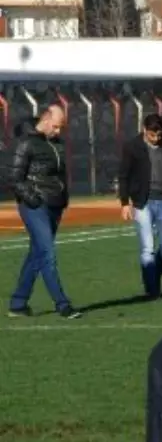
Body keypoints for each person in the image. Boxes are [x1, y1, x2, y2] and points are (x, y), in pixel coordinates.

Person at [5, 104, 81, 319]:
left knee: (37, 254)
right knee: (47, 254)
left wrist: (63, 198)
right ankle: (62, 304)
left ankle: (18, 303)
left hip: (55, 204)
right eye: (56, 127)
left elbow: (60, 175)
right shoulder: (26, 143)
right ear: (46, 120)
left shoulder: (56, 144)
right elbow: (14, 178)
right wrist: (33, 199)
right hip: (35, 205)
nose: (58, 131)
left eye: (61, 128)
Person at [118, 113, 162, 299]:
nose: (156, 139)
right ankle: (153, 290)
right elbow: (124, 175)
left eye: (159, 135)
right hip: (143, 203)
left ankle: (152, 275)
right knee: (147, 249)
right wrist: (125, 203)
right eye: (152, 135)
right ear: (144, 130)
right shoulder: (132, 147)